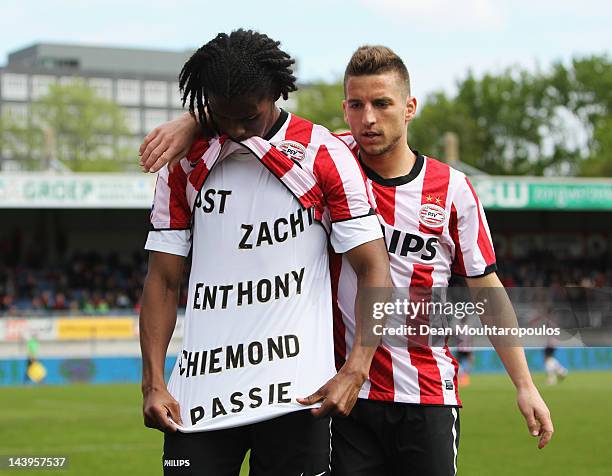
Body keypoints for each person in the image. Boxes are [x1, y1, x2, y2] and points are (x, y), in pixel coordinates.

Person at [140, 45, 554, 476]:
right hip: (339, 393)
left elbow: (486, 289)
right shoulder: (327, 156)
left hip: (426, 390)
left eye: (382, 104)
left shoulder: (452, 190)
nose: (369, 118)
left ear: (409, 108)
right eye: (356, 105)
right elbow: (253, 115)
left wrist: (525, 385)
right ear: (345, 109)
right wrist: (193, 118)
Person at [139, 30, 390, 476]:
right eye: (221, 115)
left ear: (276, 92)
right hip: (198, 400)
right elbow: (162, 280)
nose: (236, 130)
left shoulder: (322, 153)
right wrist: (153, 384)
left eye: (249, 118)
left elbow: (374, 269)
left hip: (297, 399)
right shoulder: (184, 163)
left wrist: (356, 369)